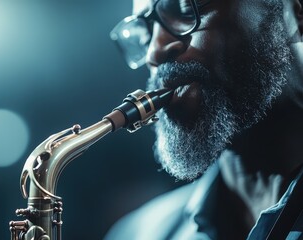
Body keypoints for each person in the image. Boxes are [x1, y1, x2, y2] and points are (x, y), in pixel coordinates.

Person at [105, 0, 303, 239]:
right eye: (146, 32)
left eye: (186, 8)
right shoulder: (136, 234)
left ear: (296, 10)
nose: (154, 52)